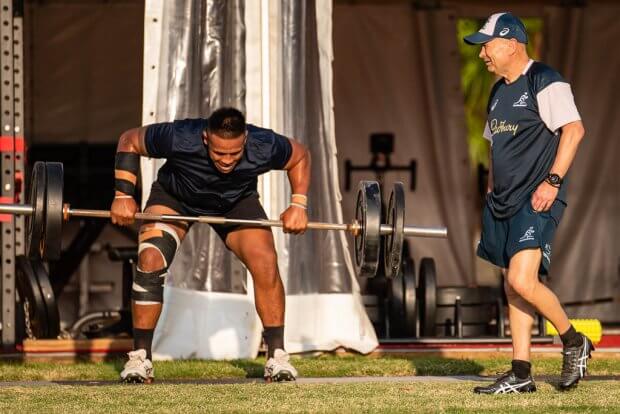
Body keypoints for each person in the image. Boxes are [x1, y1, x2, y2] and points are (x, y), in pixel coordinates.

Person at [110, 107, 311, 383]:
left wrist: (298, 204)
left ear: (245, 139)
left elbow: (300, 156)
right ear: (206, 138)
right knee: (150, 260)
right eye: (219, 153)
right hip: (175, 199)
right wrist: (123, 195)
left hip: (235, 202)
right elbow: (129, 140)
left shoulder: (263, 145)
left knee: (265, 260)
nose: (227, 160)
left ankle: (277, 355)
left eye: (234, 153)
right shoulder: (181, 136)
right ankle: (140, 358)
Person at [464, 12, 591, 393]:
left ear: (511, 43)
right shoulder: (497, 90)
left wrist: (552, 181)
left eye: (486, 45)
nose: (482, 54)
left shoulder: (544, 79)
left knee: (522, 278)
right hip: (502, 199)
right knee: (513, 285)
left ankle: (574, 341)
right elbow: (494, 146)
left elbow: (574, 130)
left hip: (536, 196)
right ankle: (521, 372)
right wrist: (489, 187)